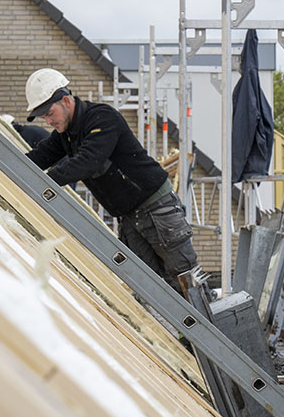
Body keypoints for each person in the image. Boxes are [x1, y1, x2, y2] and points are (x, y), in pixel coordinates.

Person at [23, 68, 199, 294]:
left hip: (156, 207)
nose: (48, 121)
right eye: (43, 117)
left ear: (66, 100)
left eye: (49, 113)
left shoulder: (102, 119)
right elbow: (39, 157)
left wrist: (42, 185)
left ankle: (207, 328)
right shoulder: (66, 134)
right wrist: (11, 167)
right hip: (130, 217)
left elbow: (88, 160)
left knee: (183, 279)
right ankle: (175, 329)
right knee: (148, 287)